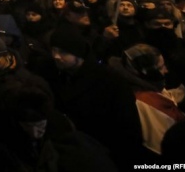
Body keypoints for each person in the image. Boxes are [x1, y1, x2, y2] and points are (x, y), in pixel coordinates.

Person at [48, 24, 143, 170]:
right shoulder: (55, 75)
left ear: (79, 53)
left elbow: (128, 129)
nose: (56, 56)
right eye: (54, 50)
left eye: (63, 52)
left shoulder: (110, 81)